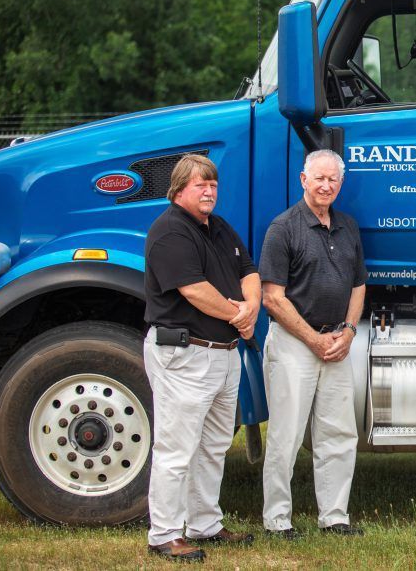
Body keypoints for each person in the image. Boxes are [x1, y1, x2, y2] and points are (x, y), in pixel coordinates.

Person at [143, 154, 261, 561]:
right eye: (200, 185)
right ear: (178, 191)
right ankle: (164, 534)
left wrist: (250, 310)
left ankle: (205, 524)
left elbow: (249, 272)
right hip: (185, 355)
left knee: (212, 446)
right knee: (176, 449)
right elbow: (193, 289)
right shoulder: (170, 232)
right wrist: (239, 316)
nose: (209, 191)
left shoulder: (218, 227)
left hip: (224, 355)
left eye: (213, 184)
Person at [260, 149, 367, 539]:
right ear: (303, 179)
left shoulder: (348, 226)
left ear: (341, 183)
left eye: (333, 179)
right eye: (318, 178)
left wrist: (350, 332)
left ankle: (335, 517)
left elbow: (358, 285)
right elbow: (272, 296)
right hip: (294, 344)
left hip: (337, 341)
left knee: (339, 434)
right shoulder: (283, 227)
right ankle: (277, 520)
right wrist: (313, 339)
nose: (326, 185)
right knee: (286, 436)